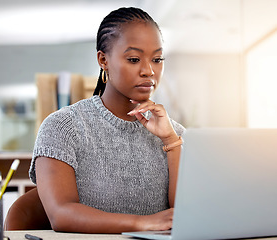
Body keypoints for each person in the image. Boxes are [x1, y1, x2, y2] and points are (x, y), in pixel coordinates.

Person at [29, 7, 185, 233]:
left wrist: (172, 141)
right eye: (133, 59)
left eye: (157, 59)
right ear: (103, 60)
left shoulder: (176, 133)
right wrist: (142, 224)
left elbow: (187, 216)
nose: (149, 71)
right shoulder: (63, 127)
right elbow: (61, 214)